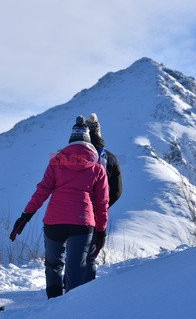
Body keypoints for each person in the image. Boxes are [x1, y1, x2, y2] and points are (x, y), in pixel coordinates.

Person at [10, 115, 109, 299]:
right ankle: (72, 309)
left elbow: (42, 191)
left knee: (53, 265)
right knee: (76, 269)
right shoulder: (97, 169)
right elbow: (102, 203)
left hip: (54, 221)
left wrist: (26, 215)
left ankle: (53, 305)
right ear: (89, 142)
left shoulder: (56, 161)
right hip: (82, 223)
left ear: (70, 141)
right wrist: (101, 231)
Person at [84, 113, 122, 283]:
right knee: (91, 254)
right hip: (97, 213)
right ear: (99, 133)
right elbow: (117, 191)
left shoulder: (71, 155)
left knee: (73, 254)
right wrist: (103, 206)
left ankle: (67, 291)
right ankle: (86, 291)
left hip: (72, 210)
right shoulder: (110, 158)